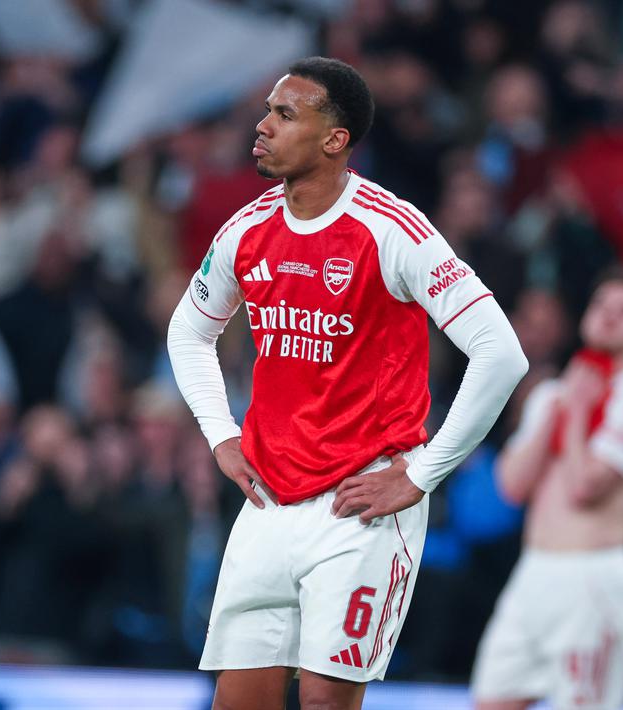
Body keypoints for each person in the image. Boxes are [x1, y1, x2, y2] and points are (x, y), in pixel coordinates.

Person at [166, 56, 527, 710]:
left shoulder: (393, 230)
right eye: (267, 110)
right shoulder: (246, 230)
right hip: (267, 500)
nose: (261, 125)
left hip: (359, 505)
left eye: (283, 114)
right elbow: (187, 331)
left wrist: (421, 475)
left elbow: (501, 354)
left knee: (326, 703)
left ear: (335, 139)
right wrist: (221, 434)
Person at [471, 269, 623, 710]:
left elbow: (585, 487)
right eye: (602, 305)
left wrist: (578, 410)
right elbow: (511, 485)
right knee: (490, 701)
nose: (610, 317)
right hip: (533, 573)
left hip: (594, 577)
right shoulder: (550, 395)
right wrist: (560, 407)